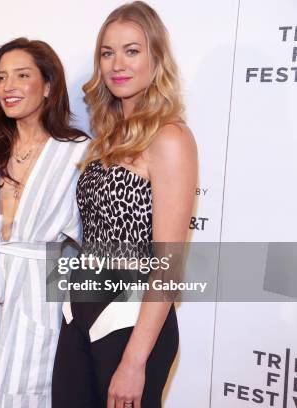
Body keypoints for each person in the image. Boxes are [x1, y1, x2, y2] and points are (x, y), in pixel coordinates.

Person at [52, 2, 198, 408]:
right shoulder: (106, 136)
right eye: (107, 52)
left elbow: (168, 262)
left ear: (156, 57)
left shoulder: (170, 139)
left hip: (132, 326)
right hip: (80, 313)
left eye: (132, 50)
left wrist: (136, 360)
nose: (117, 63)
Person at [0, 38, 89, 407]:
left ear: (48, 85)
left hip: (42, 292)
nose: (8, 87)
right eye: (1, 78)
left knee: (28, 390)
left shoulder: (79, 152)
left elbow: (86, 236)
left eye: (22, 75)